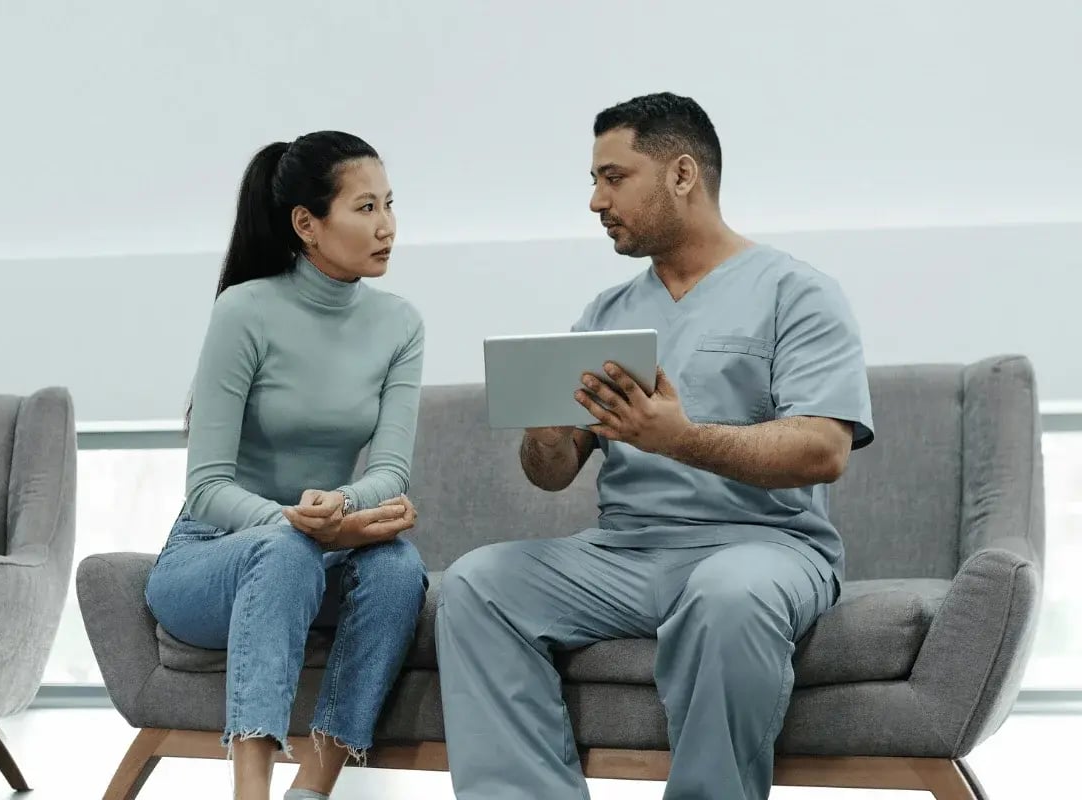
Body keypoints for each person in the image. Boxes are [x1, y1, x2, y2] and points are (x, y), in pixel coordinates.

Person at [436, 93, 875, 800]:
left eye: (613, 177)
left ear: (680, 175)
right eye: (593, 181)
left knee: (727, 596)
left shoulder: (797, 294)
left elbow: (823, 450)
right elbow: (551, 475)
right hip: (625, 552)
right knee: (477, 585)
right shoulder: (605, 315)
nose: (594, 201)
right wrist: (545, 433)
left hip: (763, 546)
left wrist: (681, 439)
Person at [144, 132, 429, 800]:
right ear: (307, 224)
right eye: (364, 208)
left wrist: (340, 520)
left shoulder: (399, 325)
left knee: (397, 568)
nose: (387, 226)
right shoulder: (244, 312)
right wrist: (307, 526)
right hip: (207, 560)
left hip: (316, 547)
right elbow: (207, 487)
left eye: (390, 205)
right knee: (286, 548)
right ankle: (250, 792)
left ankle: (312, 789)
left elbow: (390, 470)